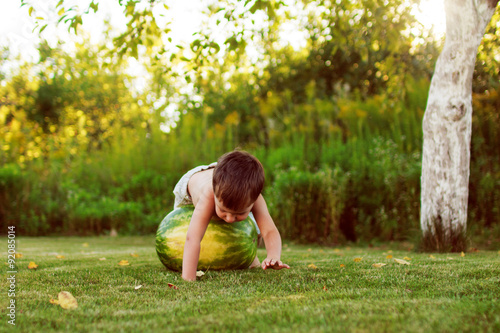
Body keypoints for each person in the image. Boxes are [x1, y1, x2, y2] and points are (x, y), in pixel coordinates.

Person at [173, 150, 290, 281]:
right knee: (185, 229)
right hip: (193, 184)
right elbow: (192, 238)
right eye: (223, 210)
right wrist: (188, 278)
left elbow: (269, 231)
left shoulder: (253, 196)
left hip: (227, 179)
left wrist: (273, 255)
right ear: (216, 197)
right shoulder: (209, 195)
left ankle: (251, 257)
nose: (229, 219)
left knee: (255, 228)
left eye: (239, 213)